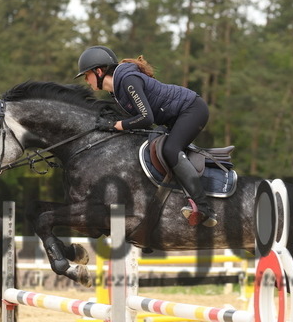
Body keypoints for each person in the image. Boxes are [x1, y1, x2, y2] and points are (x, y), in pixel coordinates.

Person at [75, 46, 217, 227]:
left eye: (87, 75)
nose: (86, 80)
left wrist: (117, 125)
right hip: (175, 117)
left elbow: (146, 118)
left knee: (170, 149)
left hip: (192, 109)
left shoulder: (128, 81)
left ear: (99, 71)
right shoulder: (116, 91)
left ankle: (204, 207)